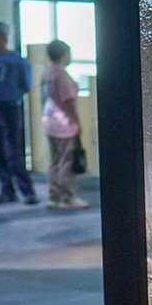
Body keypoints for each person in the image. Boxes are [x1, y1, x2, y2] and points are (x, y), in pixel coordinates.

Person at [0, 20, 38, 206]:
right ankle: (7, 190)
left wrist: (10, 95)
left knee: (12, 151)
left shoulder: (17, 60)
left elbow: (26, 86)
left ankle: (27, 191)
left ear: (1, 35)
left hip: (9, 107)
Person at [41, 39, 89, 211]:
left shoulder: (47, 73)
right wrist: (77, 122)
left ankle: (54, 197)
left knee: (54, 161)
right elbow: (68, 101)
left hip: (49, 122)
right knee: (66, 162)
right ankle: (67, 197)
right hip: (63, 124)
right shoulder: (61, 74)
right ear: (64, 54)